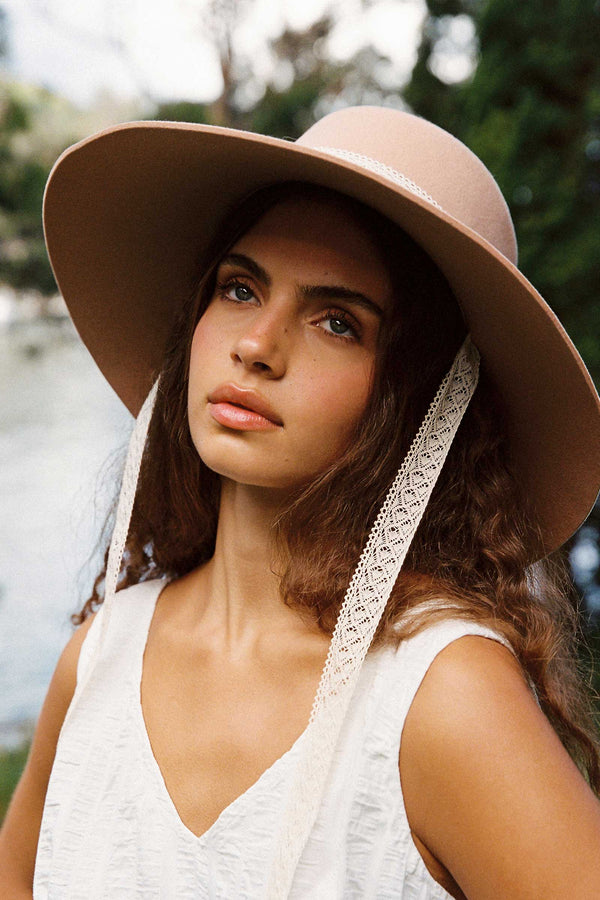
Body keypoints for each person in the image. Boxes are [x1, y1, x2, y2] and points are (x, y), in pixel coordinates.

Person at [1, 105, 600, 898]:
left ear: (419, 397)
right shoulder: (101, 657)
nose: (257, 344)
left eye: (337, 322)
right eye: (241, 288)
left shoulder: (436, 695)